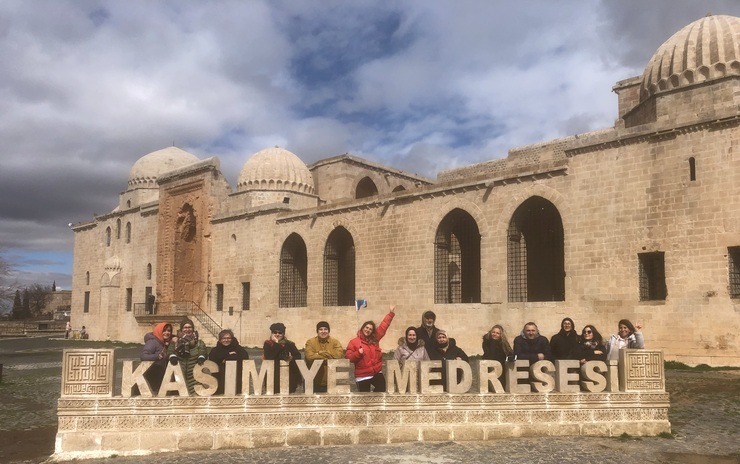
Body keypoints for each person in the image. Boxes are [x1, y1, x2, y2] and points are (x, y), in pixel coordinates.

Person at [345, 305, 396, 392]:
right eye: (366, 328)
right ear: (363, 328)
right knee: (364, 400)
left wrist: (391, 314)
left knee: (381, 390)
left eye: (370, 329)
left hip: (376, 373)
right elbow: (349, 357)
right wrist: (358, 353)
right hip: (362, 376)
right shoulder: (354, 342)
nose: (368, 330)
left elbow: (383, 327)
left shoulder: (375, 339)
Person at [167, 318, 208, 394]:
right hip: (179, 378)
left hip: (194, 379)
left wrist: (201, 357)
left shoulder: (199, 343)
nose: (187, 329)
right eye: (185, 327)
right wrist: (172, 356)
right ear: (181, 329)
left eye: (189, 327)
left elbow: (203, 351)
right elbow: (170, 351)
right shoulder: (175, 342)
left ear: (193, 329)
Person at [304, 321, 344, 393]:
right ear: (317, 331)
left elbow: (339, 355)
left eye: (325, 329)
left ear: (328, 331)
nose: (323, 331)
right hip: (314, 381)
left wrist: (320, 352)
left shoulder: (335, 342)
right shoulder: (310, 342)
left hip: (331, 381)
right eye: (320, 329)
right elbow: (309, 356)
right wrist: (328, 357)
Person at [263, 322, 302, 393]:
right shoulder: (268, 344)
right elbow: (270, 357)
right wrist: (276, 344)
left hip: (289, 375)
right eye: (275, 332)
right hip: (273, 376)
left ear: (283, 334)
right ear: (272, 333)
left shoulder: (290, 344)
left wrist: (291, 358)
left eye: (280, 332)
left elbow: (298, 356)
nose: (277, 334)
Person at [208, 329, 249, 395]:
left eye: (228, 338)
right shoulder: (215, 350)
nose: (226, 340)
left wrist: (225, 359)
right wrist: (228, 354)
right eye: (224, 338)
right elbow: (212, 359)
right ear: (220, 340)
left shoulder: (238, 348)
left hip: (235, 380)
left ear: (232, 339)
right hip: (220, 380)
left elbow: (245, 358)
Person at [140, 322, 173, 394]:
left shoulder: (163, 342)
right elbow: (143, 356)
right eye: (164, 330)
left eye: (169, 331)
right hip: (152, 377)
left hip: (160, 377)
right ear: (159, 331)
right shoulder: (152, 342)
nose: (167, 333)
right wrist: (156, 356)